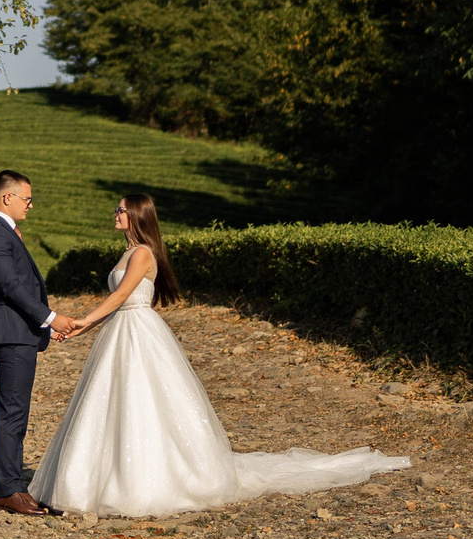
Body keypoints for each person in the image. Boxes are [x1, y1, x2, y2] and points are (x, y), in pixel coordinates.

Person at [29, 193, 409, 516]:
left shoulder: (143, 253)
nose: (116, 214)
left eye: (122, 210)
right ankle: (106, 476)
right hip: (120, 331)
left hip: (139, 334)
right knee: (113, 404)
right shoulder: (128, 252)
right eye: (117, 209)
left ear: (138, 216)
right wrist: (81, 328)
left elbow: (120, 297)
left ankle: (144, 480)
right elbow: (114, 306)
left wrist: (80, 319)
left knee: (143, 401)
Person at [0, 169, 80, 516]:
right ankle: (9, 490)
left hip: (20, 333)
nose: (30, 206)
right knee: (12, 412)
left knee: (17, 411)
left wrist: (45, 329)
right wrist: (49, 317)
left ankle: (15, 486)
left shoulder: (4, 233)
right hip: (11, 337)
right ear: (8, 197)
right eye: (27, 198)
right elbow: (10, 286)